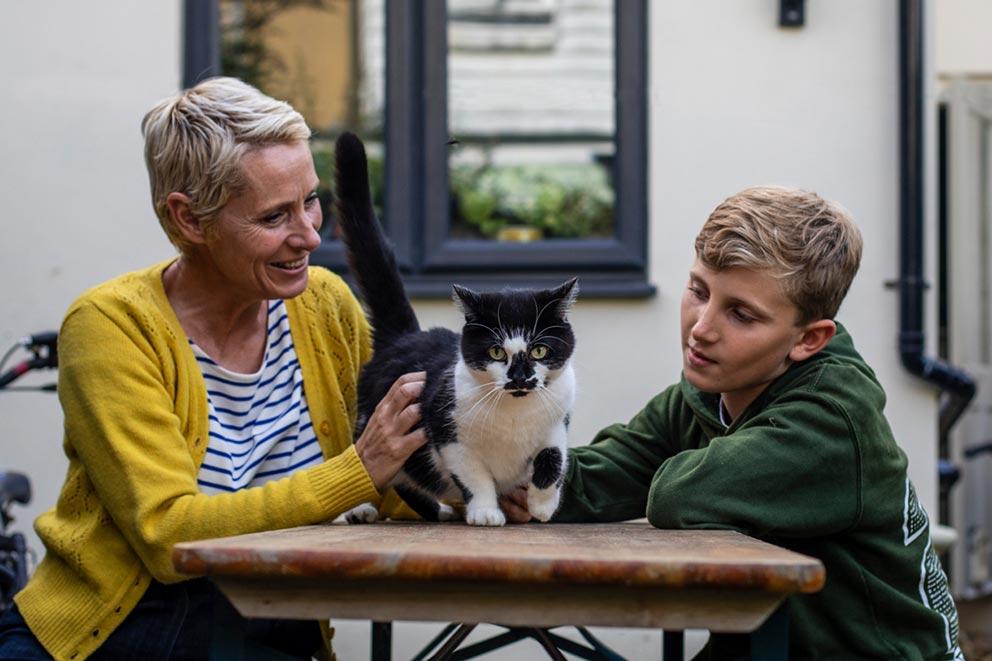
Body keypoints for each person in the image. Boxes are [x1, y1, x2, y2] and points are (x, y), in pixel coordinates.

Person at [0, 77, 426, 660]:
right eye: (275, 216)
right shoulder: (112, 326)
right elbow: (168, 534)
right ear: (190, 220)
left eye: (310, 199)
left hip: (272, 627)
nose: (308, 235)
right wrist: (359, 471)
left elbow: (391, 482)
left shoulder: (326, 306)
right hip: (121, 629)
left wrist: (473, 489)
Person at [501, 186, 963, 660]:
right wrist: (503, 474)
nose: (702, 327)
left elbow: (676, 496)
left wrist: (641, 475)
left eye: (741, 314)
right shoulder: (704, 394)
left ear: (808, 339)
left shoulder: (833, 417)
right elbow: (600, 475)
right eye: (698, 290)